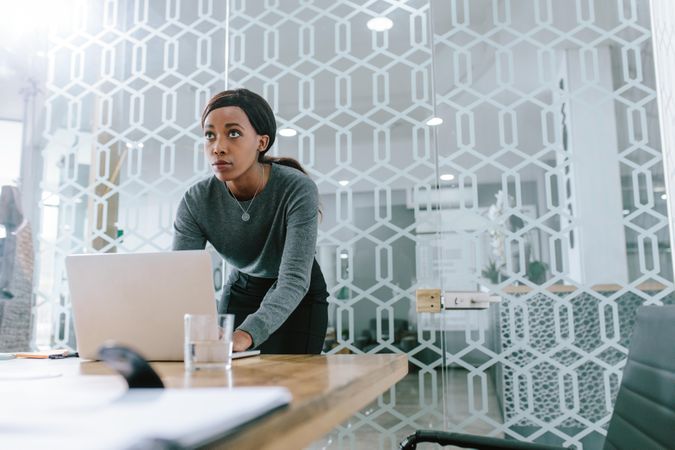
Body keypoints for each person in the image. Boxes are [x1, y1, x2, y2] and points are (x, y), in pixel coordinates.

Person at [172, 88, 328, 354]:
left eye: (233, 133)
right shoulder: (196, 200)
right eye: (210, 135)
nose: (218, 147)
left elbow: (292, 280)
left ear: (262, 142)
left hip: (299, 294)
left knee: (298, 384)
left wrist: (246, 334)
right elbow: (181, 279)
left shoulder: (297, 188)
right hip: (243, 289)